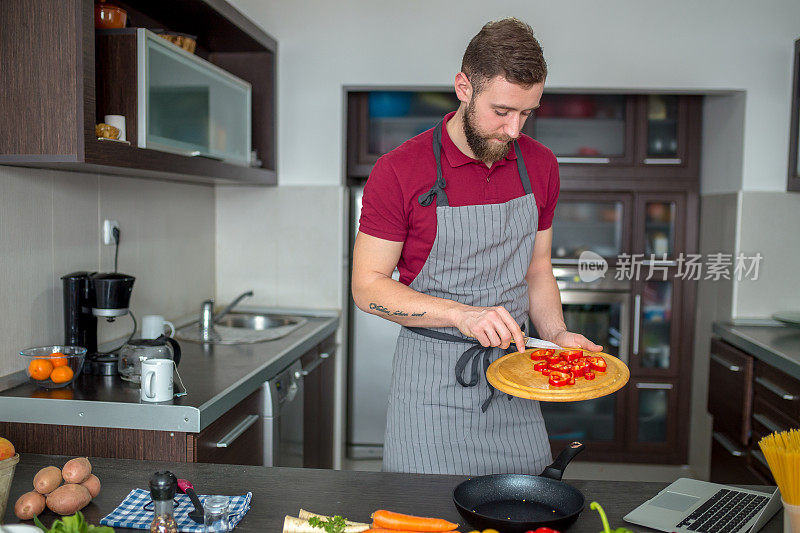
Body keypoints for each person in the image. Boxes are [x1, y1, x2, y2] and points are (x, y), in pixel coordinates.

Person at [351, 18, 602, 476]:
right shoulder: (399, 171)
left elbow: (537, 269)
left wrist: (559, 335)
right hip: (430, 389)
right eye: (502, 110)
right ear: (463, 86)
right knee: (424, 517)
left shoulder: (540, 165)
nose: (513, 129)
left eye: (528, 113)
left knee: (523, 509)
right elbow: (367, 287)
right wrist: (461, 315)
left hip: (516, 379)